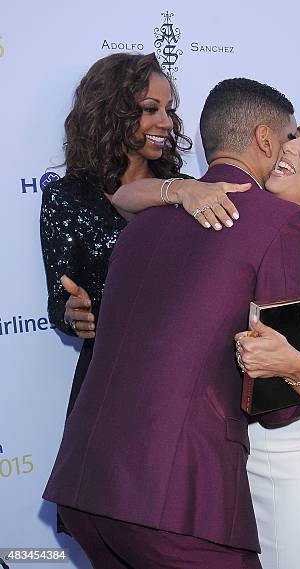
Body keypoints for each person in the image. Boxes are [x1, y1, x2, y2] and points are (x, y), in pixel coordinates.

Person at [43, 79, 300, 568]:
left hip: (88, 486)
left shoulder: (141, 224)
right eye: (290, 137)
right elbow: (276, 403)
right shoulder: (285, 224)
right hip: (176, 501)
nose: (292, 150)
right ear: (264, 139)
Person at [114, 108, 300, 569]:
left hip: (289, 471)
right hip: (217, 464)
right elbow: (123, 198)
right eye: (295, 135)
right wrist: (181, 189)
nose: (290, 146)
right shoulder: (237, 218)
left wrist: (294, 366)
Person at [40, 52, 245, 420]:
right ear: (111, 112)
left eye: (168, 110)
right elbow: (59, 298)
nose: (165, 122)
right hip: (107, 377)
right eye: (151, 109)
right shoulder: (67, 196)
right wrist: (73, 315)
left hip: (181, 376)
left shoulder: (188, 191)